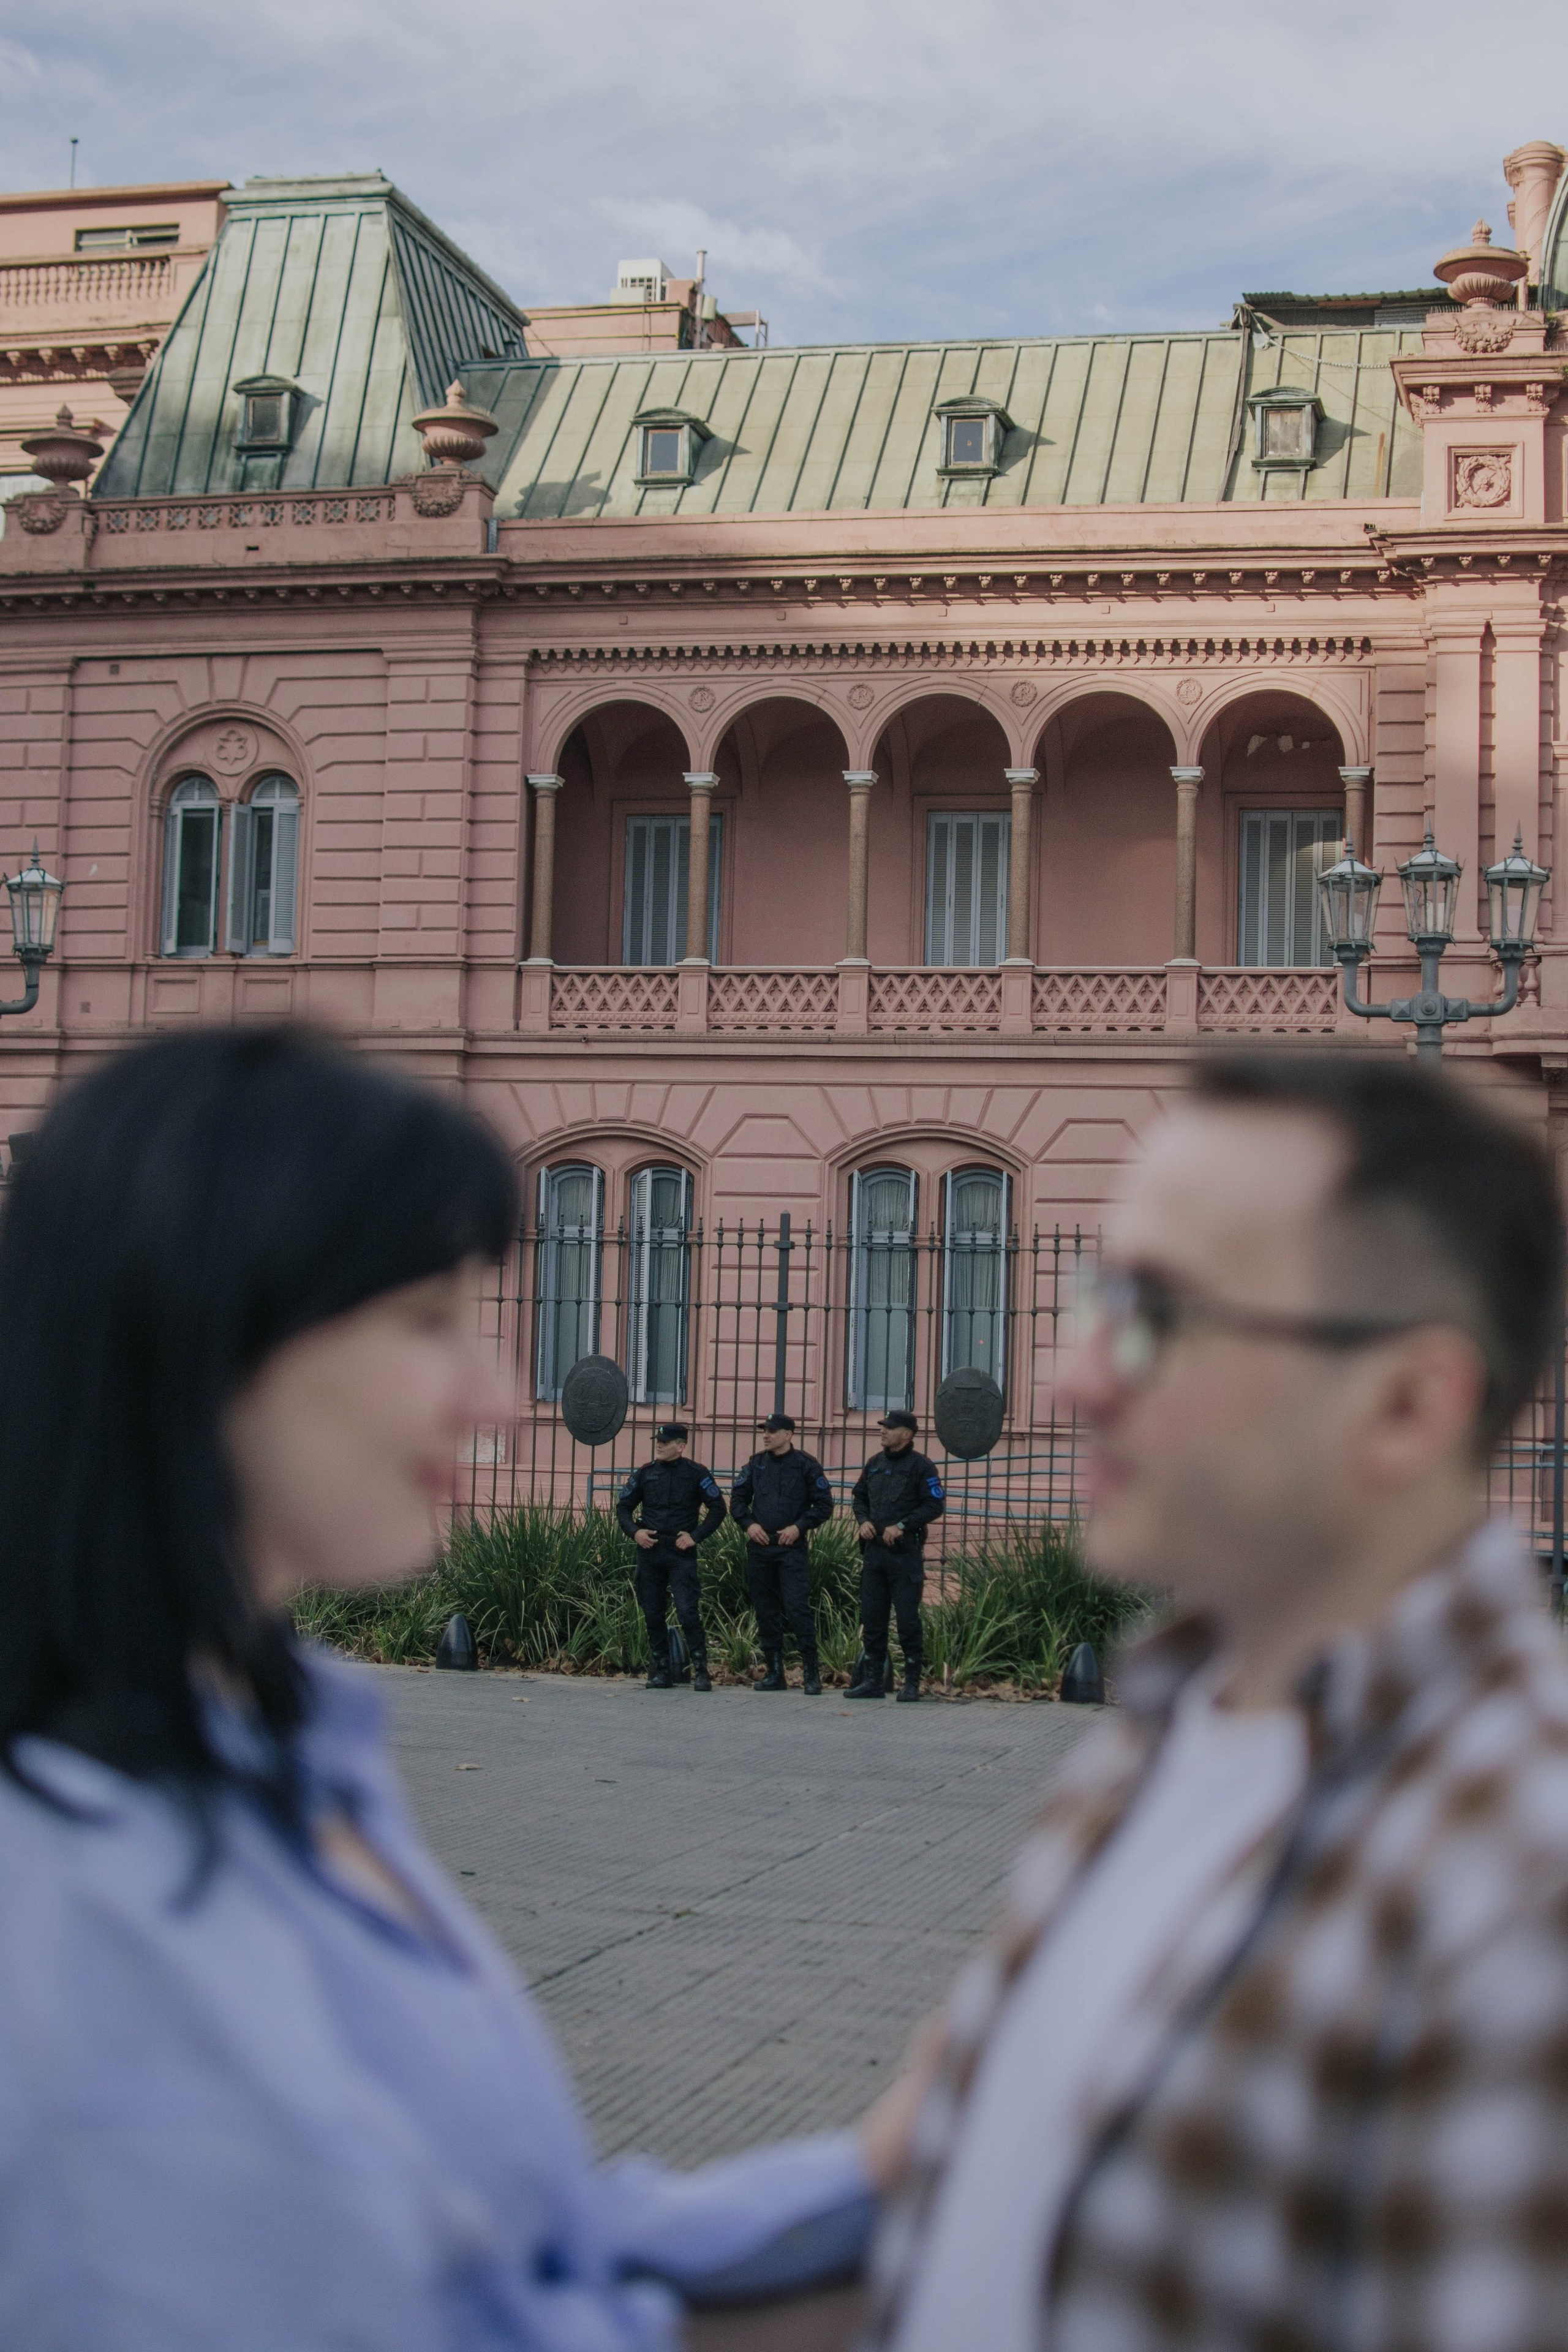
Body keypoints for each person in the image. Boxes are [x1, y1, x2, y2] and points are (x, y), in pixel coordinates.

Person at [0, 1027, 882, 2352]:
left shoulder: (286, 1748)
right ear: (200, 1329)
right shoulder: (86, 1912)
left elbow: (503, 2236)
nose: (497, 1399)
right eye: (427, 1323)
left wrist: (915, 2156)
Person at [863, 1050, 1568, 2352]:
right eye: (1089, 1299)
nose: (1073, 1380)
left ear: (1408, 1402)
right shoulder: (1164, 1730)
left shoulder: (1517, 1882)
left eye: (1157, 1313)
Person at [617, 1422, 726, 1692]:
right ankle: (661, 1670)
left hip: (680, 1553)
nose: (660, 1445)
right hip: (651, 1551)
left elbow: (718, 1509)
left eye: (666, 1442)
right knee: (653, 1613)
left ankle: (701, 1671)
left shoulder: (696, 1474)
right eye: (658, 1441)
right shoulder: (645, 1473)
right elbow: (623, 1508)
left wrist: (695, 1536)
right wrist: (635, 1532)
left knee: (688, 1611)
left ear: (681, 1446)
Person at [730, 1414, 834, 1695]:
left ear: (788, 1435)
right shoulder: (756, 1464)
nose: (766, 1435)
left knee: (797, 1608)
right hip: (761, 1548)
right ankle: (775, 1672)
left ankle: (811, 1673)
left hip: (791, 1549)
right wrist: (749, 1525)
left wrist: (799, 1527)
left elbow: (824, 1505)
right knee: (765, 1610)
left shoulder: (806, 1465)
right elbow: (738, 1501)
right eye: (764, 1431)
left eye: (772, 1431)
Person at [847, 1412, 944, 1703]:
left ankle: (912, 1682)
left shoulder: (922, 1467)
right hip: (874, 1553)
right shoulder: (875, 1464)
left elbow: (935, 1505)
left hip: (904, 1555)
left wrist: (902, 1526)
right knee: (873, 1620)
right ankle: (874, 1681)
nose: (883, 1432)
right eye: (883, 1428)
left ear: (907, 1434)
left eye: (890, 1428)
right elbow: (859, 1496)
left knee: (907, 1621)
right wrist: (863, 1520)